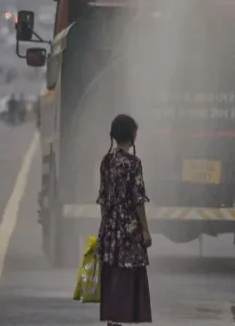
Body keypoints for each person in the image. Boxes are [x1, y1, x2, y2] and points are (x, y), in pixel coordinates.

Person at [96, 114, 152, 325]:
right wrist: (144, 230)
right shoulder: (133, 163)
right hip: (128, 226)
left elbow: (103, 196)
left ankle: (112, 319)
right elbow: (138, 199)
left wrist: (107, 224)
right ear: (131, 134)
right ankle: (122, 317)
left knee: (112, 271)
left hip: (110, 224)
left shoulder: (106, 161)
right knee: (128, 272)